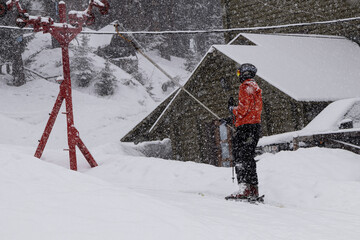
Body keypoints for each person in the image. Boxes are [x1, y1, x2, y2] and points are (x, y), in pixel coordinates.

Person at [226, 63, 263, 200]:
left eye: (238, 74)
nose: (238, 76)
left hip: (245, 127)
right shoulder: (256, 89)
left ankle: (244, 188)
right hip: (255, 127)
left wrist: (232, 109)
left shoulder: (245, 87)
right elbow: (252, 110)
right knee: (249, 157)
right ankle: (253, 188)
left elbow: (243, 109)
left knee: (240, 156)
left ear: (243, 73)